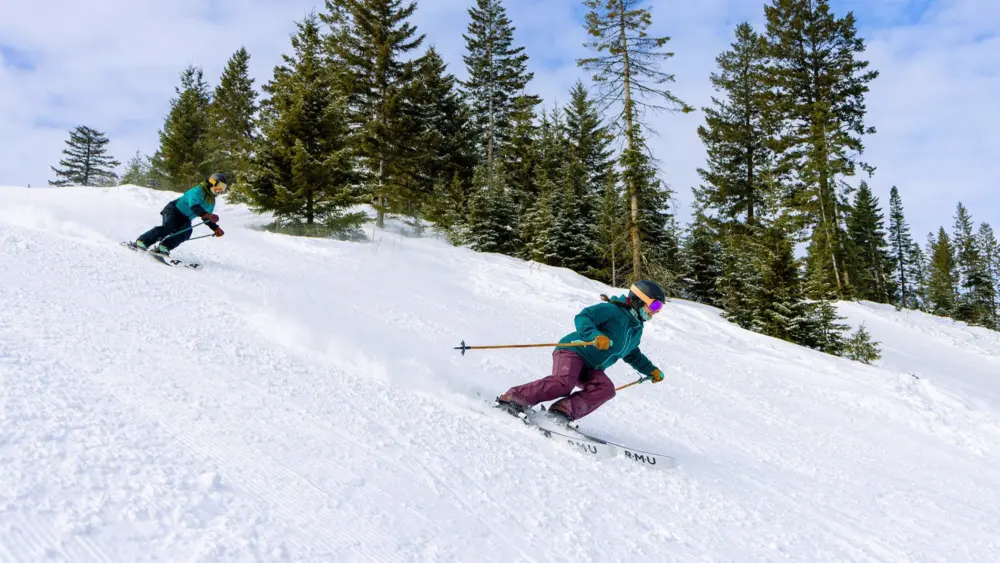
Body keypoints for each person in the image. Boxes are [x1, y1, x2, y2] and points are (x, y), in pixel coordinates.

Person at [496, 280, 667, 425]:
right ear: (638, 300)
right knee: (563, 384)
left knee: (605, 389)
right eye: (655, 305)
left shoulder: (636, 328)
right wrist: (595, 335)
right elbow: (584, 317)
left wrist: (650, 370)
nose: (656, 311)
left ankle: (560, 413)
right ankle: (514, 399)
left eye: (659, 307)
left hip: (592, 366)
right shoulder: (613, 311)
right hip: (573, 351)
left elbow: (632, 353)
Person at [135, 173, 228, 256]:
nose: (220, 191)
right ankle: (142, 241)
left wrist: (216, 228)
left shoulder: (211, 201)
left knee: (186, 232)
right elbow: (194, 207)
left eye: (223, 189)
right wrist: (209, 215)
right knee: (169, 227)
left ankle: (163, 247)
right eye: (220, 186)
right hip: (174, 210)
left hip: (185, 218)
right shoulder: (198, 190)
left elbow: (206, 218)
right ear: (212, 182)